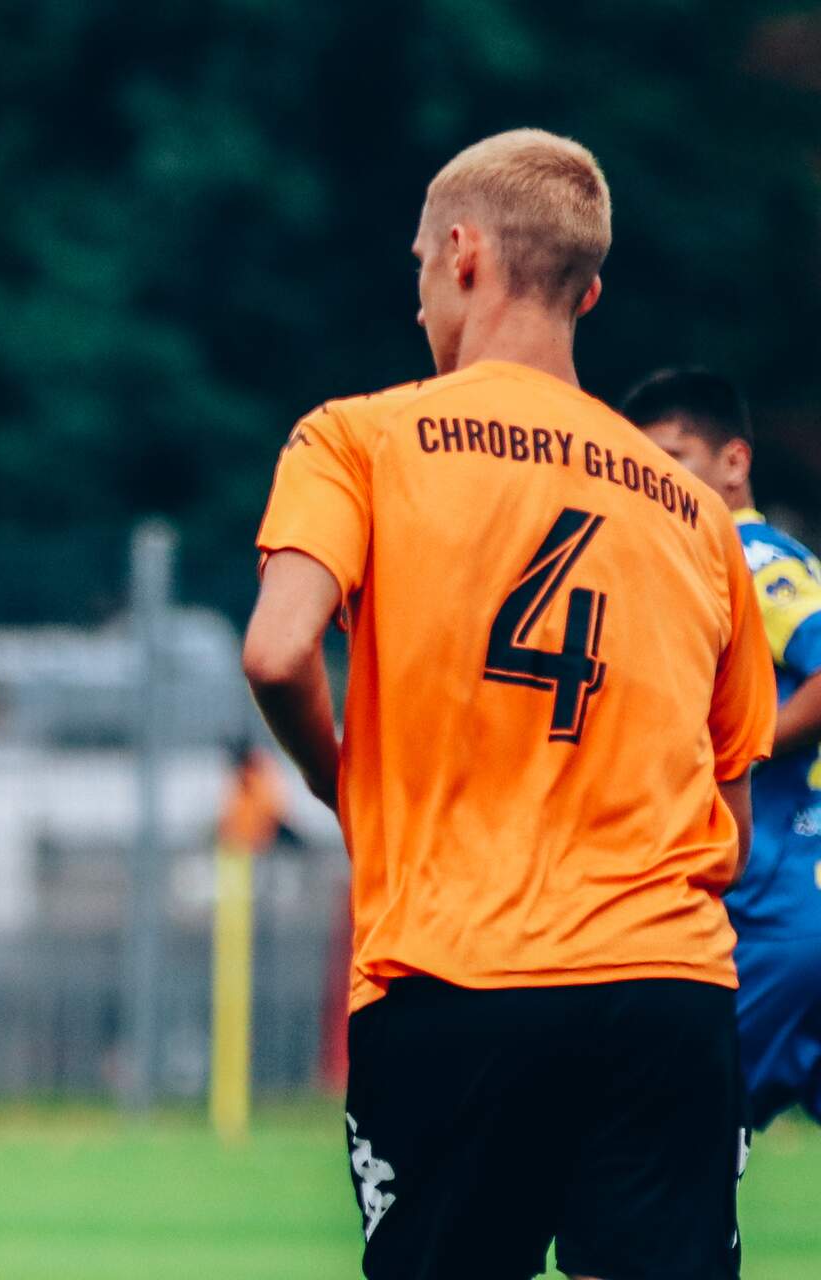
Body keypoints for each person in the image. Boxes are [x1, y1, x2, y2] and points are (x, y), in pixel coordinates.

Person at [243, 130, 776, 1279]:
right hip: (665, 989)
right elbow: (730, 821)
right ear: (588, 291)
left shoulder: (359, 438)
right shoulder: (696, 516)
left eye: (420, 270)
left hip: (457, 977)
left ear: (463, 253)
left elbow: (279, 652)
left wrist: (344, 784)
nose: (419, 301)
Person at [624, 368, 821, 1134]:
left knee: (672, 1138)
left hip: (777, 912)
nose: (654, 484)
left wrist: (733, 748)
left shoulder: (748, 557)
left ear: (734, 463)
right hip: (783, 907)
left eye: (673, 460)